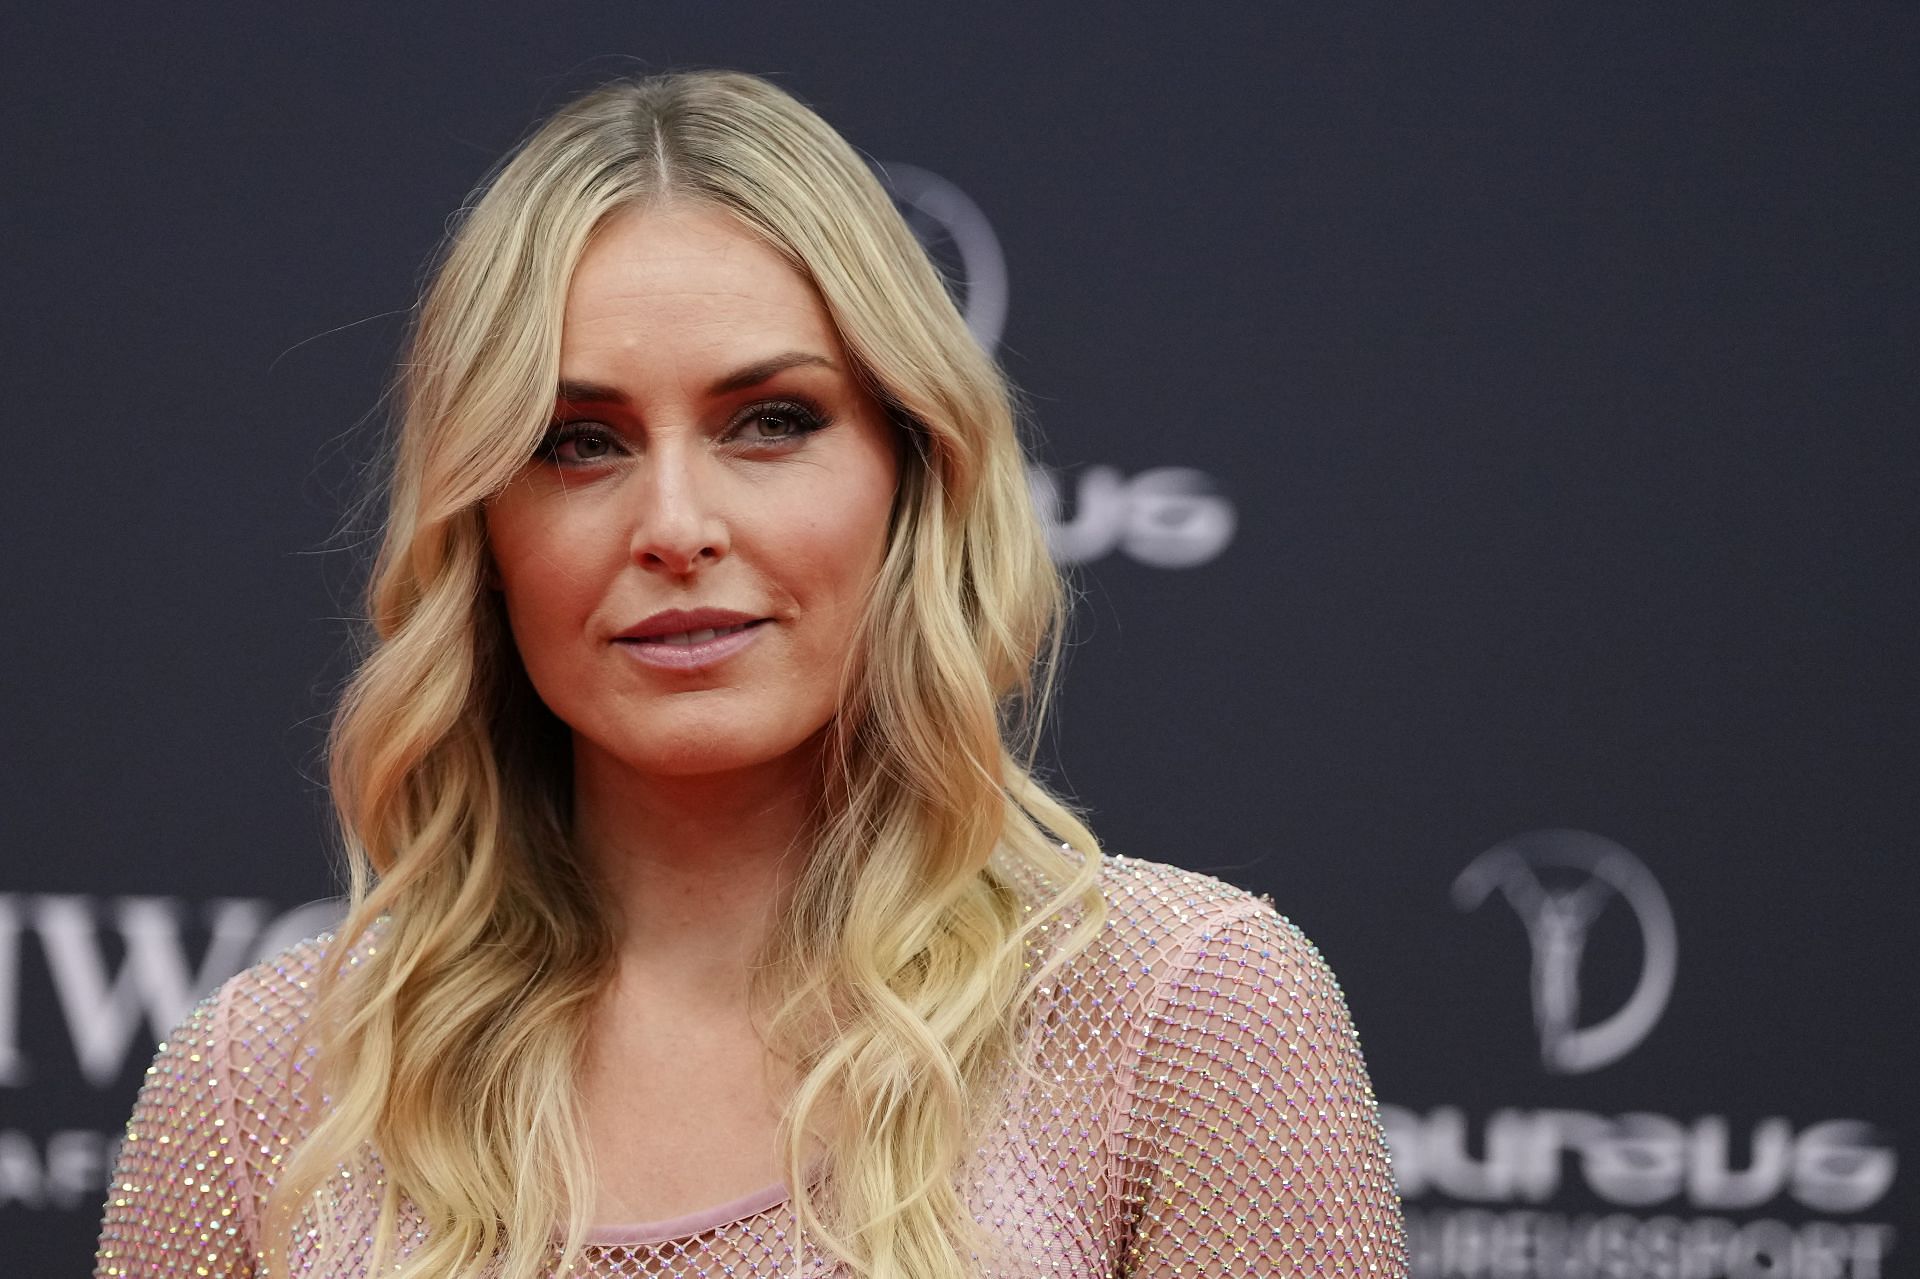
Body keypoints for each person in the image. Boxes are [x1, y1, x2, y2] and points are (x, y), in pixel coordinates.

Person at [93, 71, 1408, 1279]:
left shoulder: (1179, 1015)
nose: (675, 523)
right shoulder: (266, 1083)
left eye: (771, 422)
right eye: (579, 441)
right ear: (481, 531)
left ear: (911, 474)